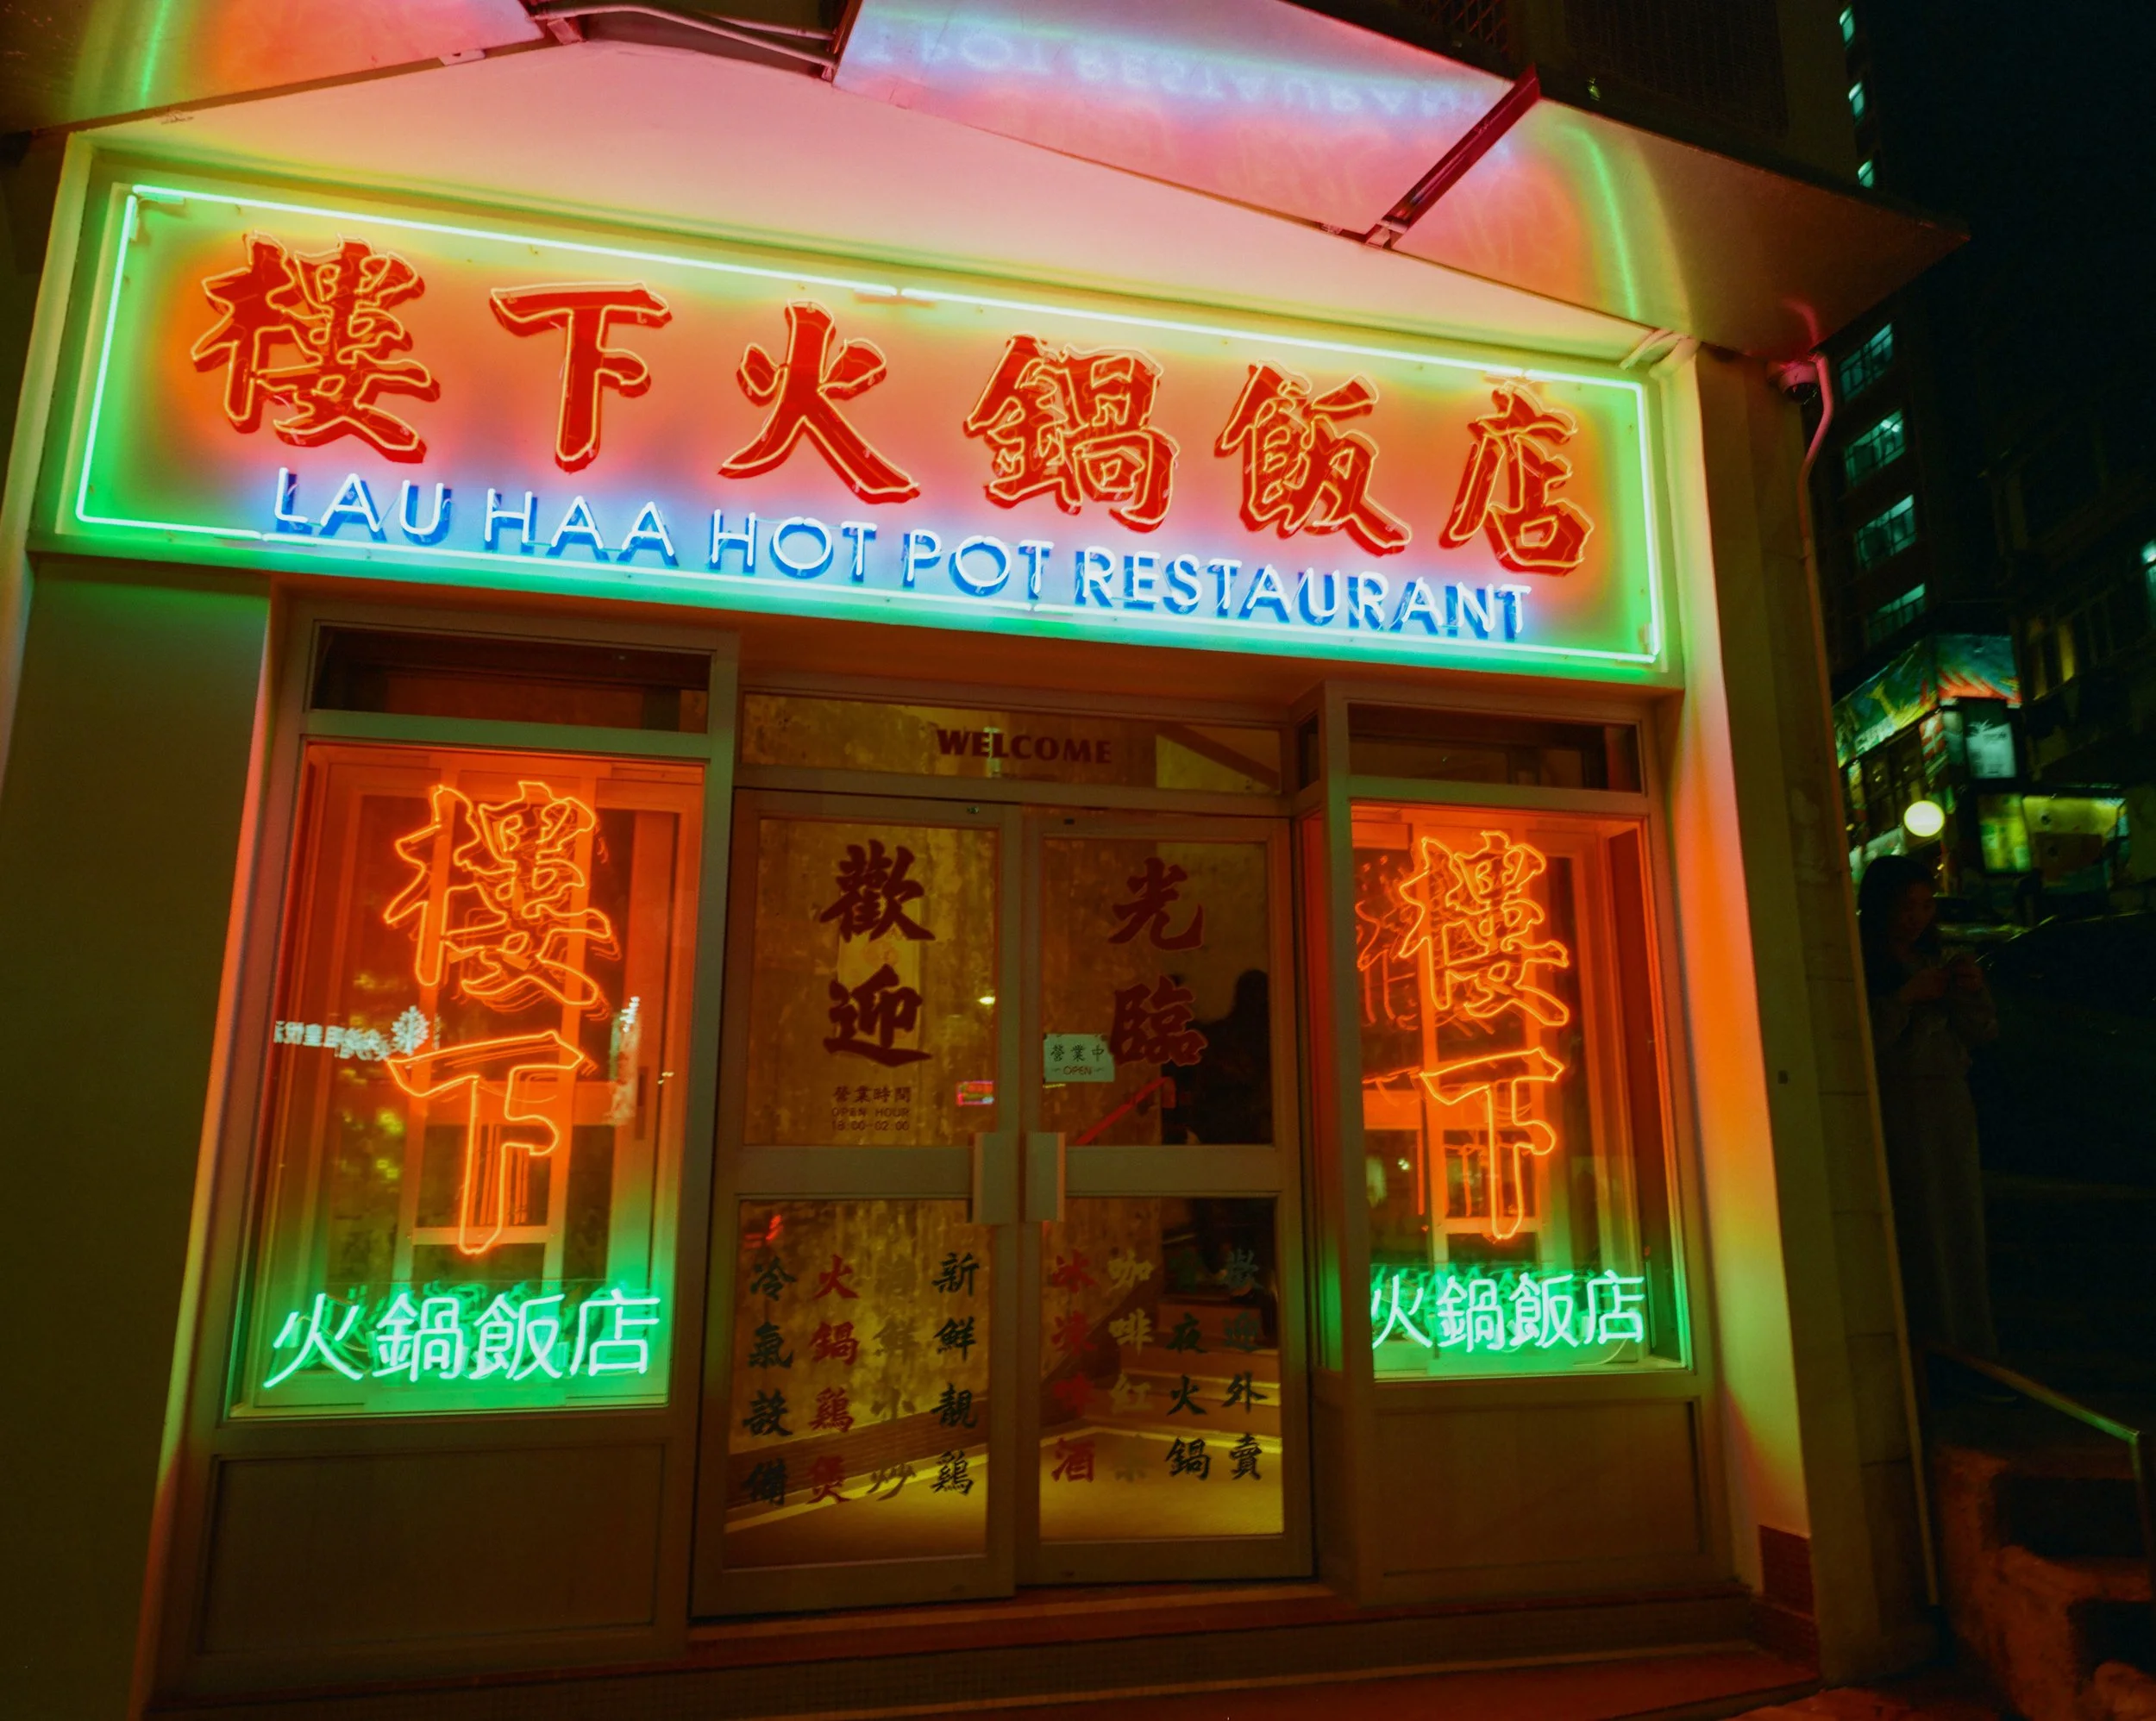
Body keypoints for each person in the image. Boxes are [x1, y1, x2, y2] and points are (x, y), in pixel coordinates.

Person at [1857, 854, 1999, 1356]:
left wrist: (1972, 991)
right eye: (1905, 906)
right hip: (1902, 1107)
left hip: (1948, 1103)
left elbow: (1982, 1034)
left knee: (1959, 1224)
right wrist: (1904, 999)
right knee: (1918, 1226)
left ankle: (1966, 1343)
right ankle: (1931, 1347)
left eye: (1924, 905)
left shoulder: (1932, 959)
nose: (1916, 918)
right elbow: (1858, 1041)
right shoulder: (1861, 965)